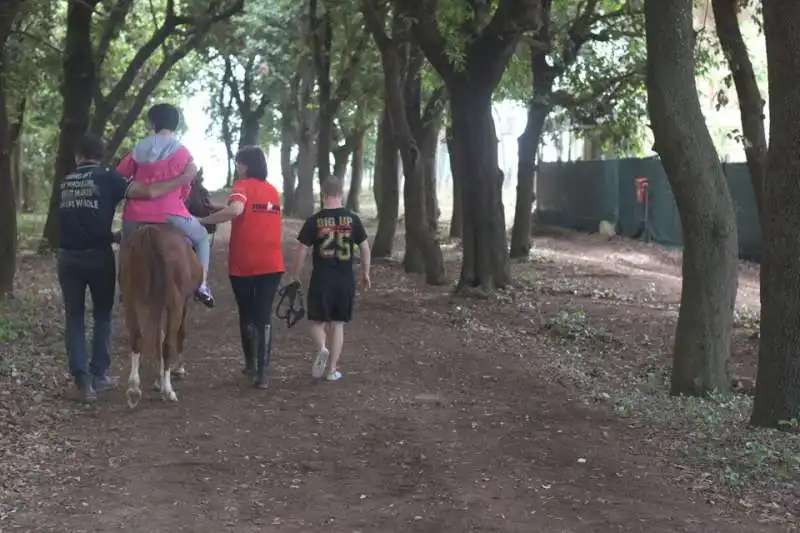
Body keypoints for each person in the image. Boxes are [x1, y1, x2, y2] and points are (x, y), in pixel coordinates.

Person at [58, 134, 196, 403]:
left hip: (67, 257)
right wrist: (184, 177)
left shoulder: (65, 182)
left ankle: (81, 382)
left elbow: (75, 219)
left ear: (77, 156)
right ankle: (99, 375)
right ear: (102, 157)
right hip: (98, 256)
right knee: (102, 315)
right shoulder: (109, 179)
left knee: (74, 317)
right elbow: (151, 191)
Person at [198, 146, 284, 388]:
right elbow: (252, 213)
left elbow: (236, 210)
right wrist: (216, 209)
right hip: (273, 262)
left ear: (245, 165)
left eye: (238, 163)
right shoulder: (273, 191)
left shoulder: (241, 186)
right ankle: (263, 372)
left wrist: (203, 220)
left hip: (244, 263)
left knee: (247, 313)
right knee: (264, 314)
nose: (237, 167)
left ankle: (251, 363)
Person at [116, 103, 215, 307]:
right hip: (171, 213)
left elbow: (120, 176)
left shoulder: (137, 149)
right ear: (175, 125)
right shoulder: (183, 152)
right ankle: (202, 285)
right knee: (202, 237)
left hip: (135, 214)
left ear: (152, 123)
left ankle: (124, 287)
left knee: (126, 246)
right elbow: (187, 187)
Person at [287, 175, 371, 382]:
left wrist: (295, 274)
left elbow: (302, 250)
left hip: (322, 278)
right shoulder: (353, 219)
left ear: (322, 194)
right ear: (341, 193)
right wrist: (365, 273)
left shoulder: (314, 221)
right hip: (345, 279)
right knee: (338, 324)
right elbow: (365, 247)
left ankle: (322, 348)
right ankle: (332, 370)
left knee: (317, 322)